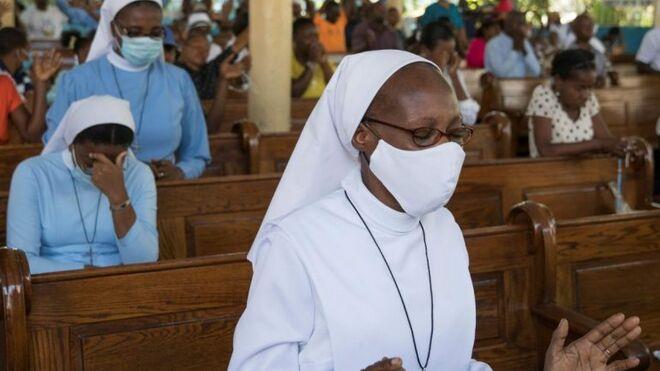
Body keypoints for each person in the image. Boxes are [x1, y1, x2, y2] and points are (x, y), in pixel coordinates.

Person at [228, 50, 643, 370]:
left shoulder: (443, 227)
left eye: (456, 133)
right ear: (362, 135)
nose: (446, 152)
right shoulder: (297, 242)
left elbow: (455, 362)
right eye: (424, 134)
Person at [46, 0, 211, 180]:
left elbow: (197, 153)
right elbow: (57, 152)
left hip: (166, 193)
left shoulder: (178, 80)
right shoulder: (78, 80)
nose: (145, 39)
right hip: (95, 195)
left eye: (155, 33)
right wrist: (129, 172)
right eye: (134, 32)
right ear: (112, 29)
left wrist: (180, 172)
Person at [7, 95, 158, 274]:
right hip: (55, 285)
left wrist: (119, 198)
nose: (105, 168)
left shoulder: (139, 174)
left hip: (121, 282)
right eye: (92, 159)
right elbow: (21, 262)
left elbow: (144, 261)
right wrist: (86, 274)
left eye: (115, 160)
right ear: (72, 143)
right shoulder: (33, 173)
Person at [527, 49, 625, 158]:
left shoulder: (589, 100)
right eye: (580, 88)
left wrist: (621, 146)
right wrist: (597, 144)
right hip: (547, 172)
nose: (586, 95)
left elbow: (606, 140)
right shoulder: (544, 96)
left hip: (584, 172)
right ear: (559, 81)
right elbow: (546, 150)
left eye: (590, 87)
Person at [177, 30, 247, 132]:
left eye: (206, 49)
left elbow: (236, 47)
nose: (202, 52)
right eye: (197, 47)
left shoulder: (212, 69)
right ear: (183, 47)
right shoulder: (173, 73)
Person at [0, 28, 62, 144]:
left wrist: (40, 82)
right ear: (19, 52)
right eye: (26, 51)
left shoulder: (6, 82)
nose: (28, 57)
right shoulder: (10, 79)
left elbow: (32, 134)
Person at [420, 21, 480, 125]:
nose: (450, 57)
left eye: (452, 52)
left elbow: (470, 118)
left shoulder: (452, 72)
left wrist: (454, 76)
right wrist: (439, 75)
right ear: (425, 50)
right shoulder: (415, 74)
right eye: (443, 52)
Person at [485, 11, 541, 78]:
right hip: (499, 87)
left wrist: (525, 53)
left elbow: (536, 71)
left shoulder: (524, 43)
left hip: (522, 86)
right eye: (513, 23)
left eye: (521, 24)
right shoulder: (493, 44)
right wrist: (514, 50)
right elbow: (500, 73)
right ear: (506, 24)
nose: (517, 27)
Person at [566, 13, 616, 87]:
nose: (589, 29)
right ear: (575, 29)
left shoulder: (599, 53)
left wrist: (606, 79)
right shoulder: (567, 54)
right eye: (585, 26)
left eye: (591, 26)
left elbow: (607, 74)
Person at [292, 17, 334, 99]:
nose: (314, 41)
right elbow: (294, 93)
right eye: (308, 37)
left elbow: (335, 88)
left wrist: (323, 61)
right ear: (294, 38)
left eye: (316, 36)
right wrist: (312, 63)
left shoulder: (323, 59)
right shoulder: (287, 62)